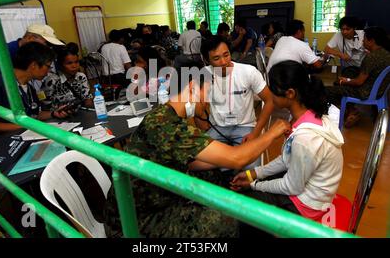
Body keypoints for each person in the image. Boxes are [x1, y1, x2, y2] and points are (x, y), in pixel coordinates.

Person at [104, 60, 290, 238]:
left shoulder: (165, 114)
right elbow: (237, 159)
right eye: (208, 94)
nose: (208, 102)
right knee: (228, 220)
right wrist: (273, 132)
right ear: (193, 87)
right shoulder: (165, 125)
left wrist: (221, 162)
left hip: (158, 197)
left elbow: (191, 163)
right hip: (137, 221)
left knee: (220, 177)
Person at [231, 60, 344, 237]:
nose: (269, 95)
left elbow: (292, 186)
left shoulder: (305, 138)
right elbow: (287, 158)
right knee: (253, 189)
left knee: (246, 209)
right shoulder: (306, 115)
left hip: (307, 205)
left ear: (290, 93)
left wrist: (254, 185)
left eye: (273, 91)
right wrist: (255, 173)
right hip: (307, 191)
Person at [200, 36, 275, 170]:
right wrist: (204, 129)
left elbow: (269, 100)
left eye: (226, 55)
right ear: (207, 60)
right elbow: (197, 106)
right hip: (217, 128)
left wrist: (255, 133)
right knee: (198, 161)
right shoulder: (204, 74)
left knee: (250, 170)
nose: (223, 62)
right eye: (216, 58)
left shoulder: (248, 72)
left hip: (245, 128)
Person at [0, 42, 70, 133]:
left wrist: (53, 114)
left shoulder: (29, 87)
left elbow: (33, 115)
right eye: (48, 66)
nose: (49, 71)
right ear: (34, 65)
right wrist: (21, 126)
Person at [325, 26, 390, 128]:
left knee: (328, 90)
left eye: (364, 40)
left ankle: (350, 111)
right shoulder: (386, 54)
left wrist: (346, 81)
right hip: (381, 91)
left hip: (365, 92)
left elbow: (359, 82)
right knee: (350, 72)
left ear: (371, 41)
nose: (363, 42)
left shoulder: (371, 57)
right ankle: (350, 111)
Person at [0, 24, 65, 92]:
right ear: (30, 38)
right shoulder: (3, 51)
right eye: (46, 43)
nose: (47, 48)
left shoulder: (31, 55)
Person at [41, 42, 93, 111]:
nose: (74, 66)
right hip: (59, 118)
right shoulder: (51, 81)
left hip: (80, 114)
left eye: (76, 62)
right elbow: (46, 108)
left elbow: (87, 99)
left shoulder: (81, 77)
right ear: (60, 65)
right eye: (69, 63)